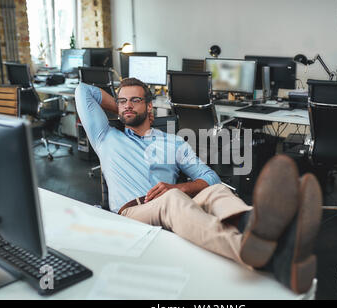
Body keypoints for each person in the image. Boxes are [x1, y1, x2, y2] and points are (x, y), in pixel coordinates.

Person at [75, 78, 323, 294]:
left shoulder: (173, 142)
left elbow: (210, 177)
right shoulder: (105, 137)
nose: (127, 105)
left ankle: (255, 226)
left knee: (217, 191)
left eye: (135, 100)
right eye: (122, 101)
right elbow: (83, 91)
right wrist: (122, 109)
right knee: (172, 202)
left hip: (174, 201)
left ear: (149, 106)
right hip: (131, 213)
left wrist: (179, 188)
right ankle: (254, 251)